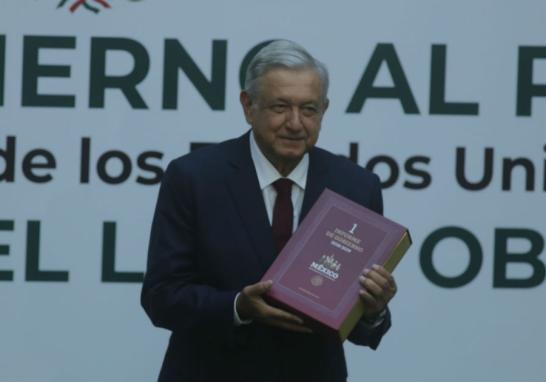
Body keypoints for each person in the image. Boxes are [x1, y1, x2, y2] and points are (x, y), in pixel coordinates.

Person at [141, 39, 397, 382]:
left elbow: (362, 332)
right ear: (248, 106)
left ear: (324, 110)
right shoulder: (194, 178)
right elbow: (162, 297)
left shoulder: (356, 187)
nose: (295, 123)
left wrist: (374, 310)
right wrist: (237, 306)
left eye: (309, 109)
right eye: (280, 107)